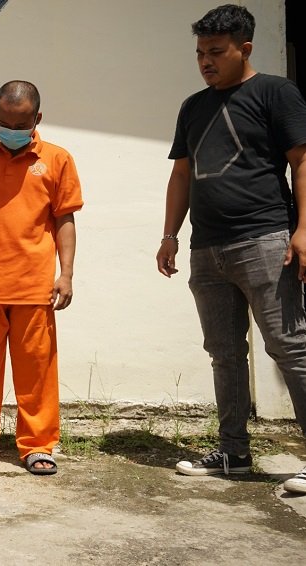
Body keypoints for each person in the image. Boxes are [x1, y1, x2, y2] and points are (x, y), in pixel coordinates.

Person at [156, 4, 306, 494]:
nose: (206, 61)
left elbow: (302, 161)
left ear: (245, 48)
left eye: (216, 52)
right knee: (224, 353)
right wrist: (170, 235)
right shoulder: (192, 107)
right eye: (200, 53)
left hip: (265, 239)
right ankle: (233, 453)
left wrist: (304, 230)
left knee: (289, 347)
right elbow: (181, 174)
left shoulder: (276, 93)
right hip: (207, 249)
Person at [0, 81, 83, 475]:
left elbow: (64, 219)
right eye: (5, 122)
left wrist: (66, 274)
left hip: (35, 287)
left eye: (21, 124)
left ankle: (38, 446)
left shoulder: (58, 160)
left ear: (37, 118)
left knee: (37, 373)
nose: (11, 130)